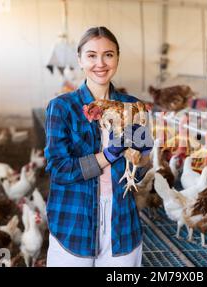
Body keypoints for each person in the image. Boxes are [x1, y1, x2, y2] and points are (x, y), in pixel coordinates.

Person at [44, 26, 152, 267]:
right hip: (74, 219)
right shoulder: (61, 107)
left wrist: (142, 157)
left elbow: (142, 170)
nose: (100, 63)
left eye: (109, 55)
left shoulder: (134, 107)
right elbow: (59, 169)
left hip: (122, 221)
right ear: (80, 59)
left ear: (117, 58)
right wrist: (108, 155)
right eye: (91, 55)